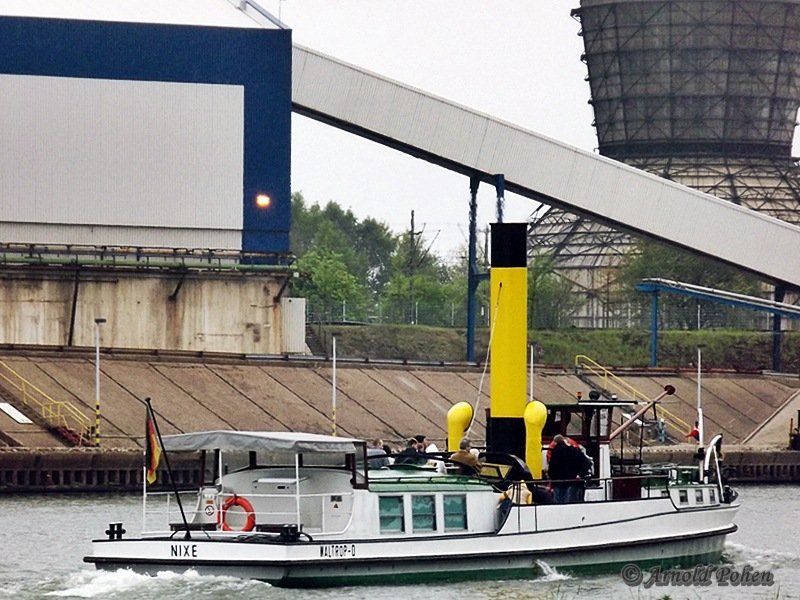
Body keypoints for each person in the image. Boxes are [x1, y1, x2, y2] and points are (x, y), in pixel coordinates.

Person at [547, 434, 592, 503]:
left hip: (558, 483)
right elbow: (586, 463)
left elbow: (551, 469)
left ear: (555, 442)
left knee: (557, 505)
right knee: (569, 504)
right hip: (571, 482)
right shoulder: (573, 450)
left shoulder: (554, 452)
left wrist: (552, 480)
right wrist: (580, 474)